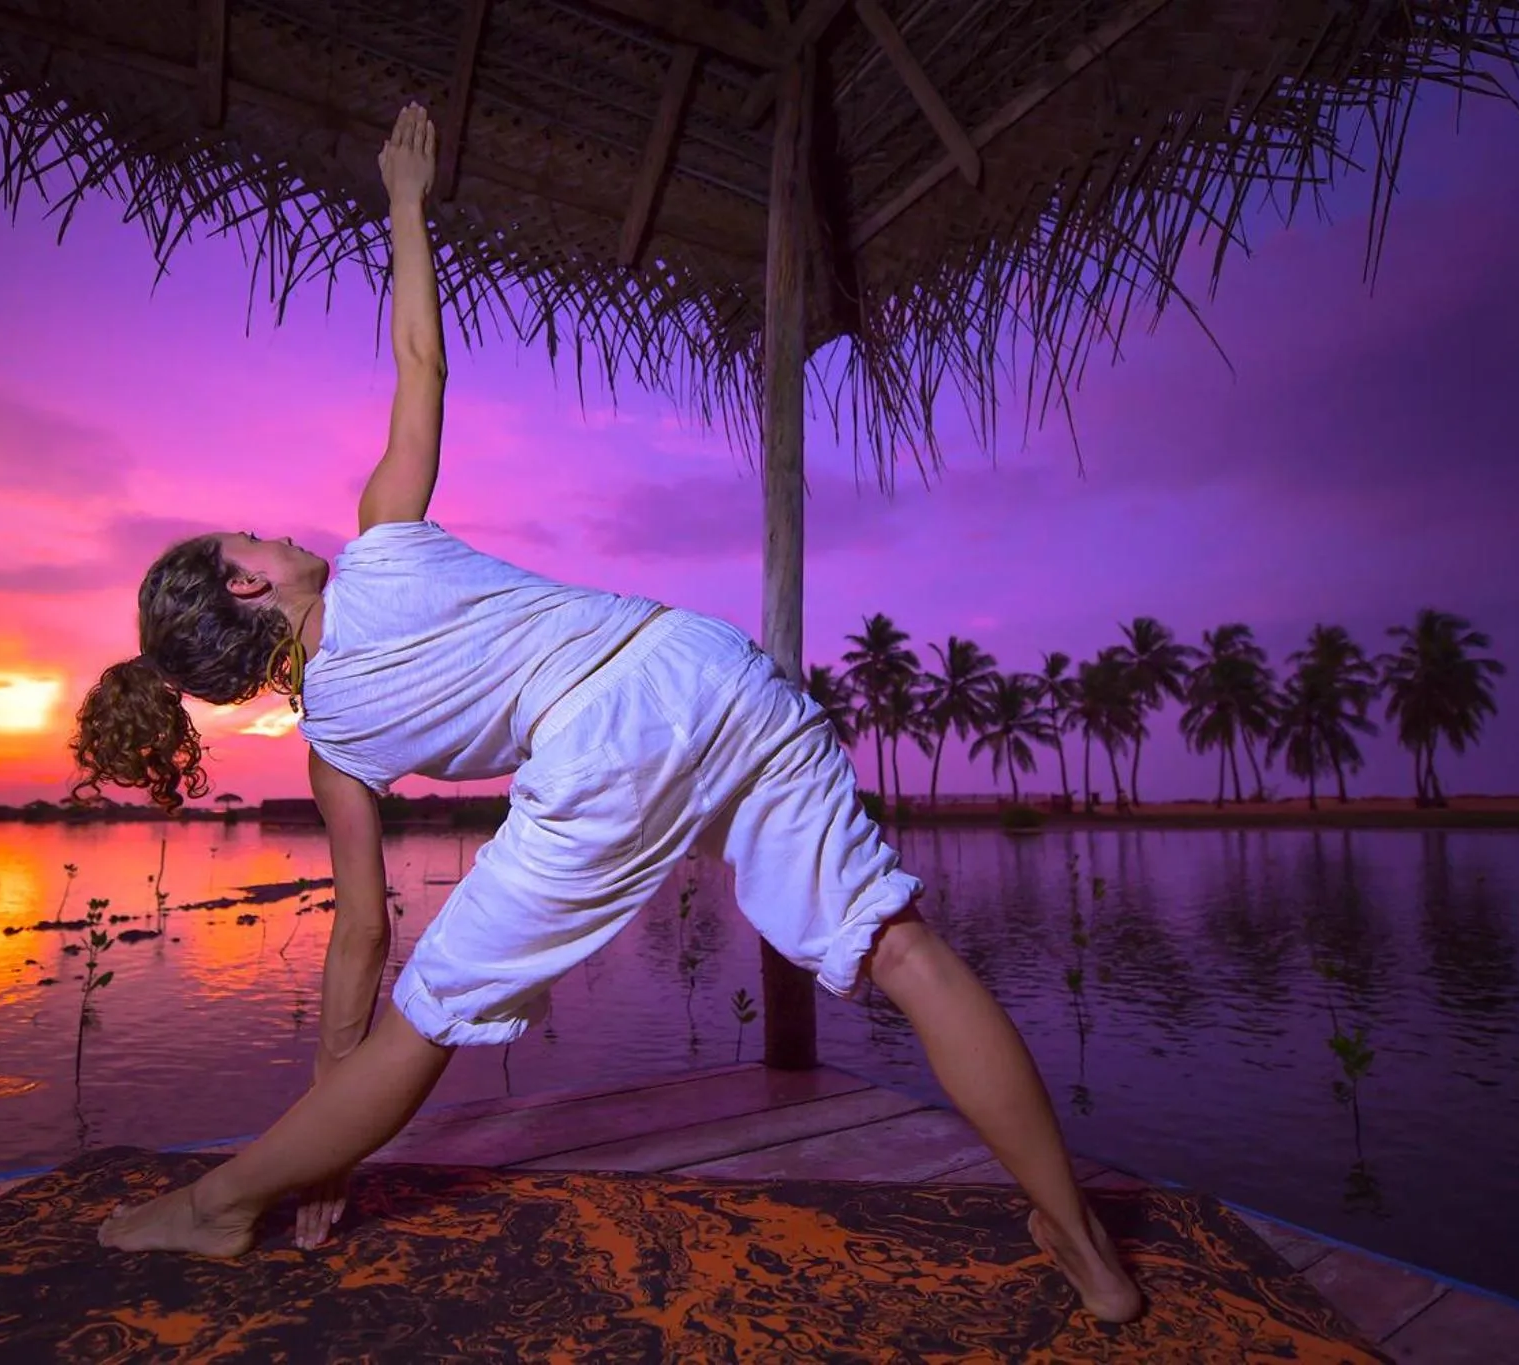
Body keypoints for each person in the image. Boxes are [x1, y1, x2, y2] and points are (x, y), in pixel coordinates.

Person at [72, 103, 1142, 1325]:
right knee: (899, 948)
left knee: (429, 1015)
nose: (267, 526)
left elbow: (360, 943)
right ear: (251, 583)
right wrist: (408, 202)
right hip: (707, 664)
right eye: (246, 535)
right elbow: (422, 362)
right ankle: (1081, 1242)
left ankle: (222, 1205)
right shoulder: (379, 546)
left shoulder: (335, 744)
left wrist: (332, 1131)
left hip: (609, 736)